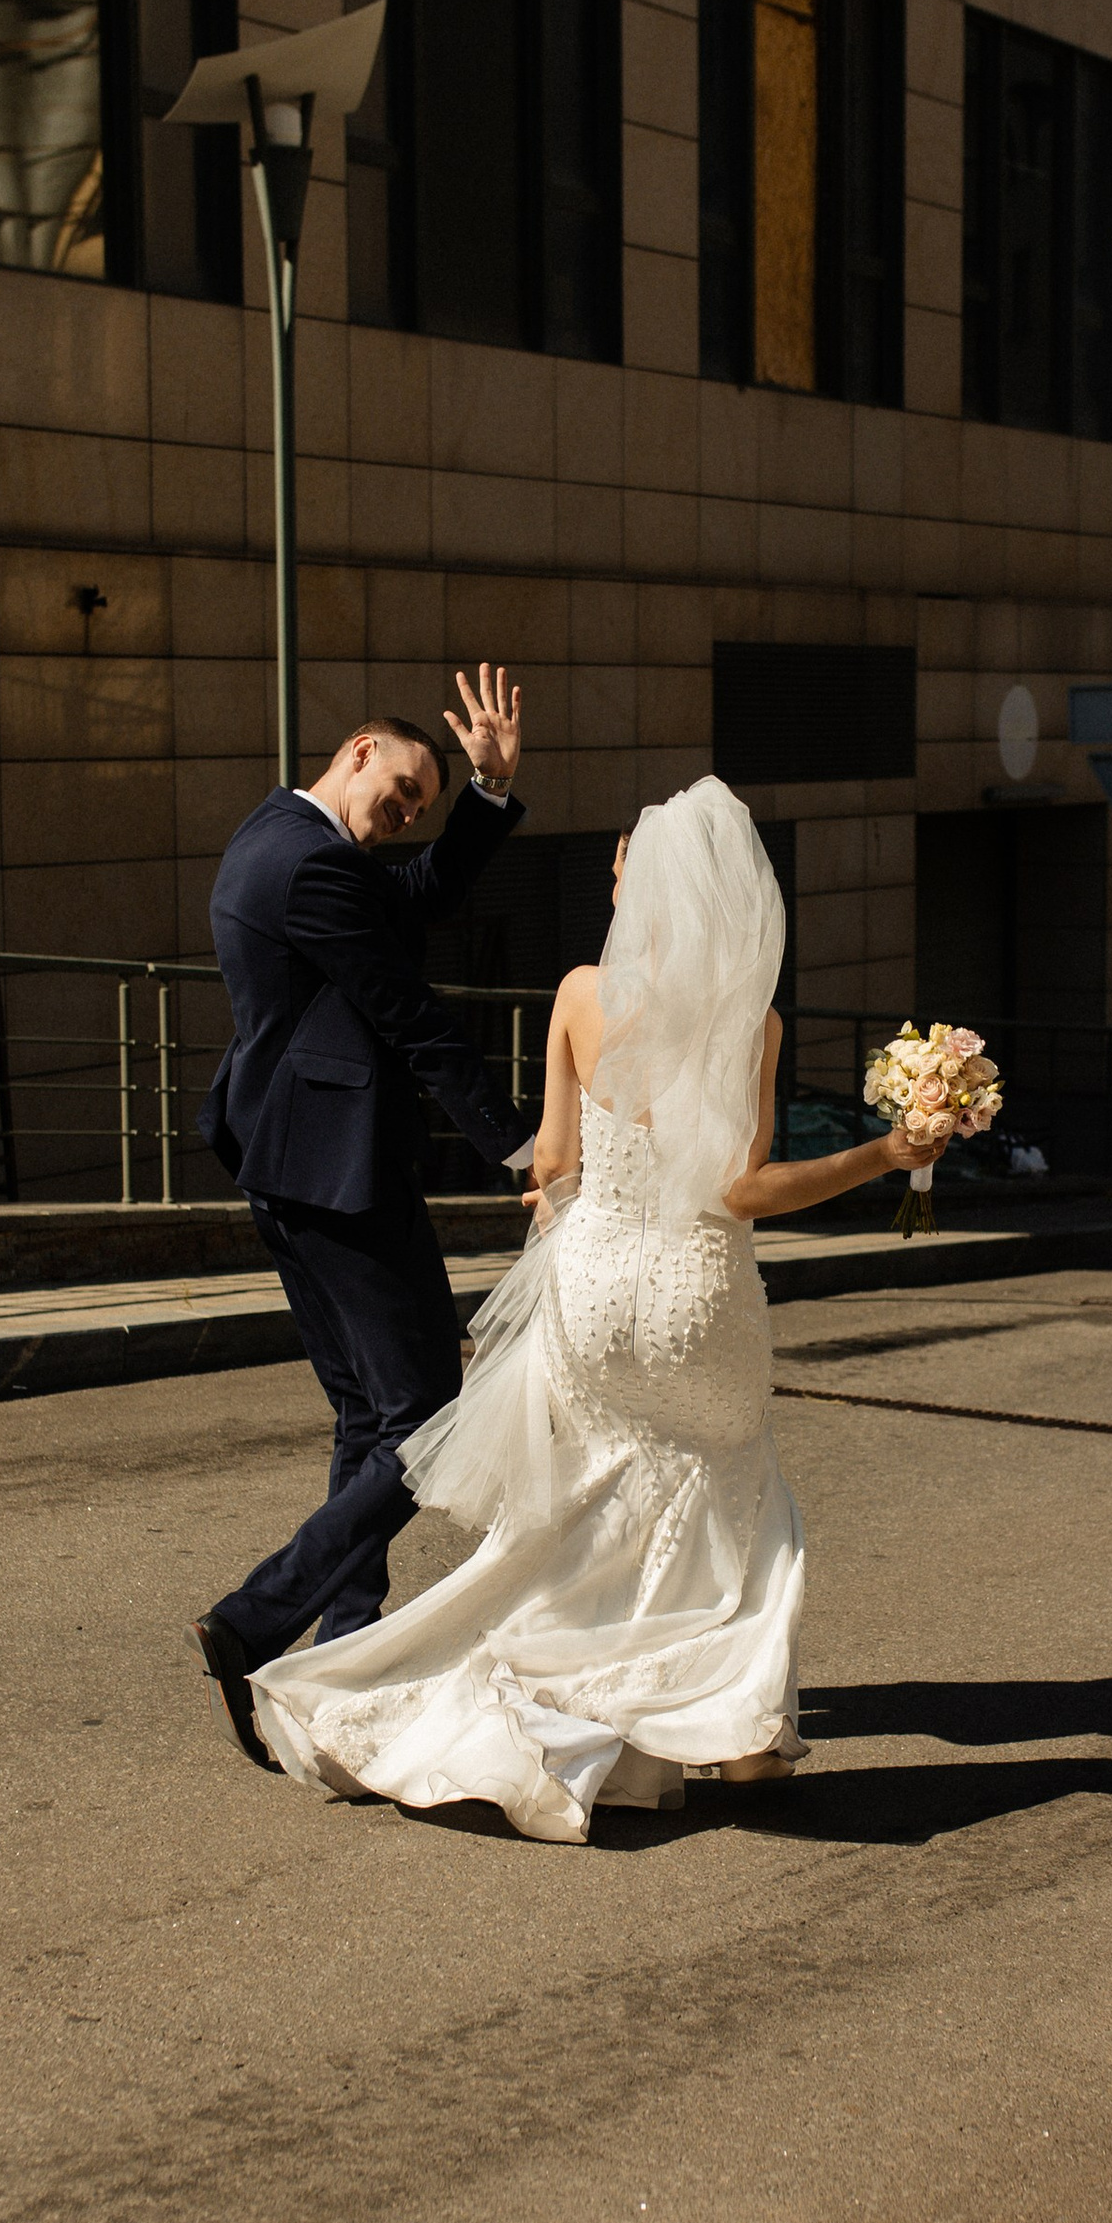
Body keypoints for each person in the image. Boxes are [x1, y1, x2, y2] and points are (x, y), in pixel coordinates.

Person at [248, 774, 942, 1843]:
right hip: (694, 1296)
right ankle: (739, 1735)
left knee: (583, 1505)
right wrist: (887, 1154)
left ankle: (563, 1690)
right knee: (725, 1497)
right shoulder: (746, 1021)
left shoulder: (578, 993)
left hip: (592, 1283)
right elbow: (741, 1193)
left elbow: (558, 1163)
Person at [192, 673, 534, 1767]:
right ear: (354, 753)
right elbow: (410, 1014)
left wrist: (484, 789)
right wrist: (520, 1148)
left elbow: (420, 896)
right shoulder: (311, 869)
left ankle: (344, 1647)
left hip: (291, 1160)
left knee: (364, 1412)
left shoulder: (280, 836)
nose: (405, 816)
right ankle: (262, 1613)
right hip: (335, 1168)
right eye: (400, 789)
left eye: (419, 806)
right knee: (430, 1411)